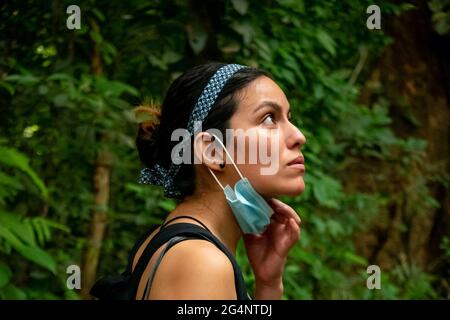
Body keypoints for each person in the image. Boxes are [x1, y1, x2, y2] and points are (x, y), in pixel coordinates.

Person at [131, 62, 306, 300]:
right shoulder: (201, 261)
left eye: (288, 118)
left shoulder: (171, 242)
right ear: (213, 151)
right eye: (268, 119)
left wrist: (268, 285)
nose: (298, 136)